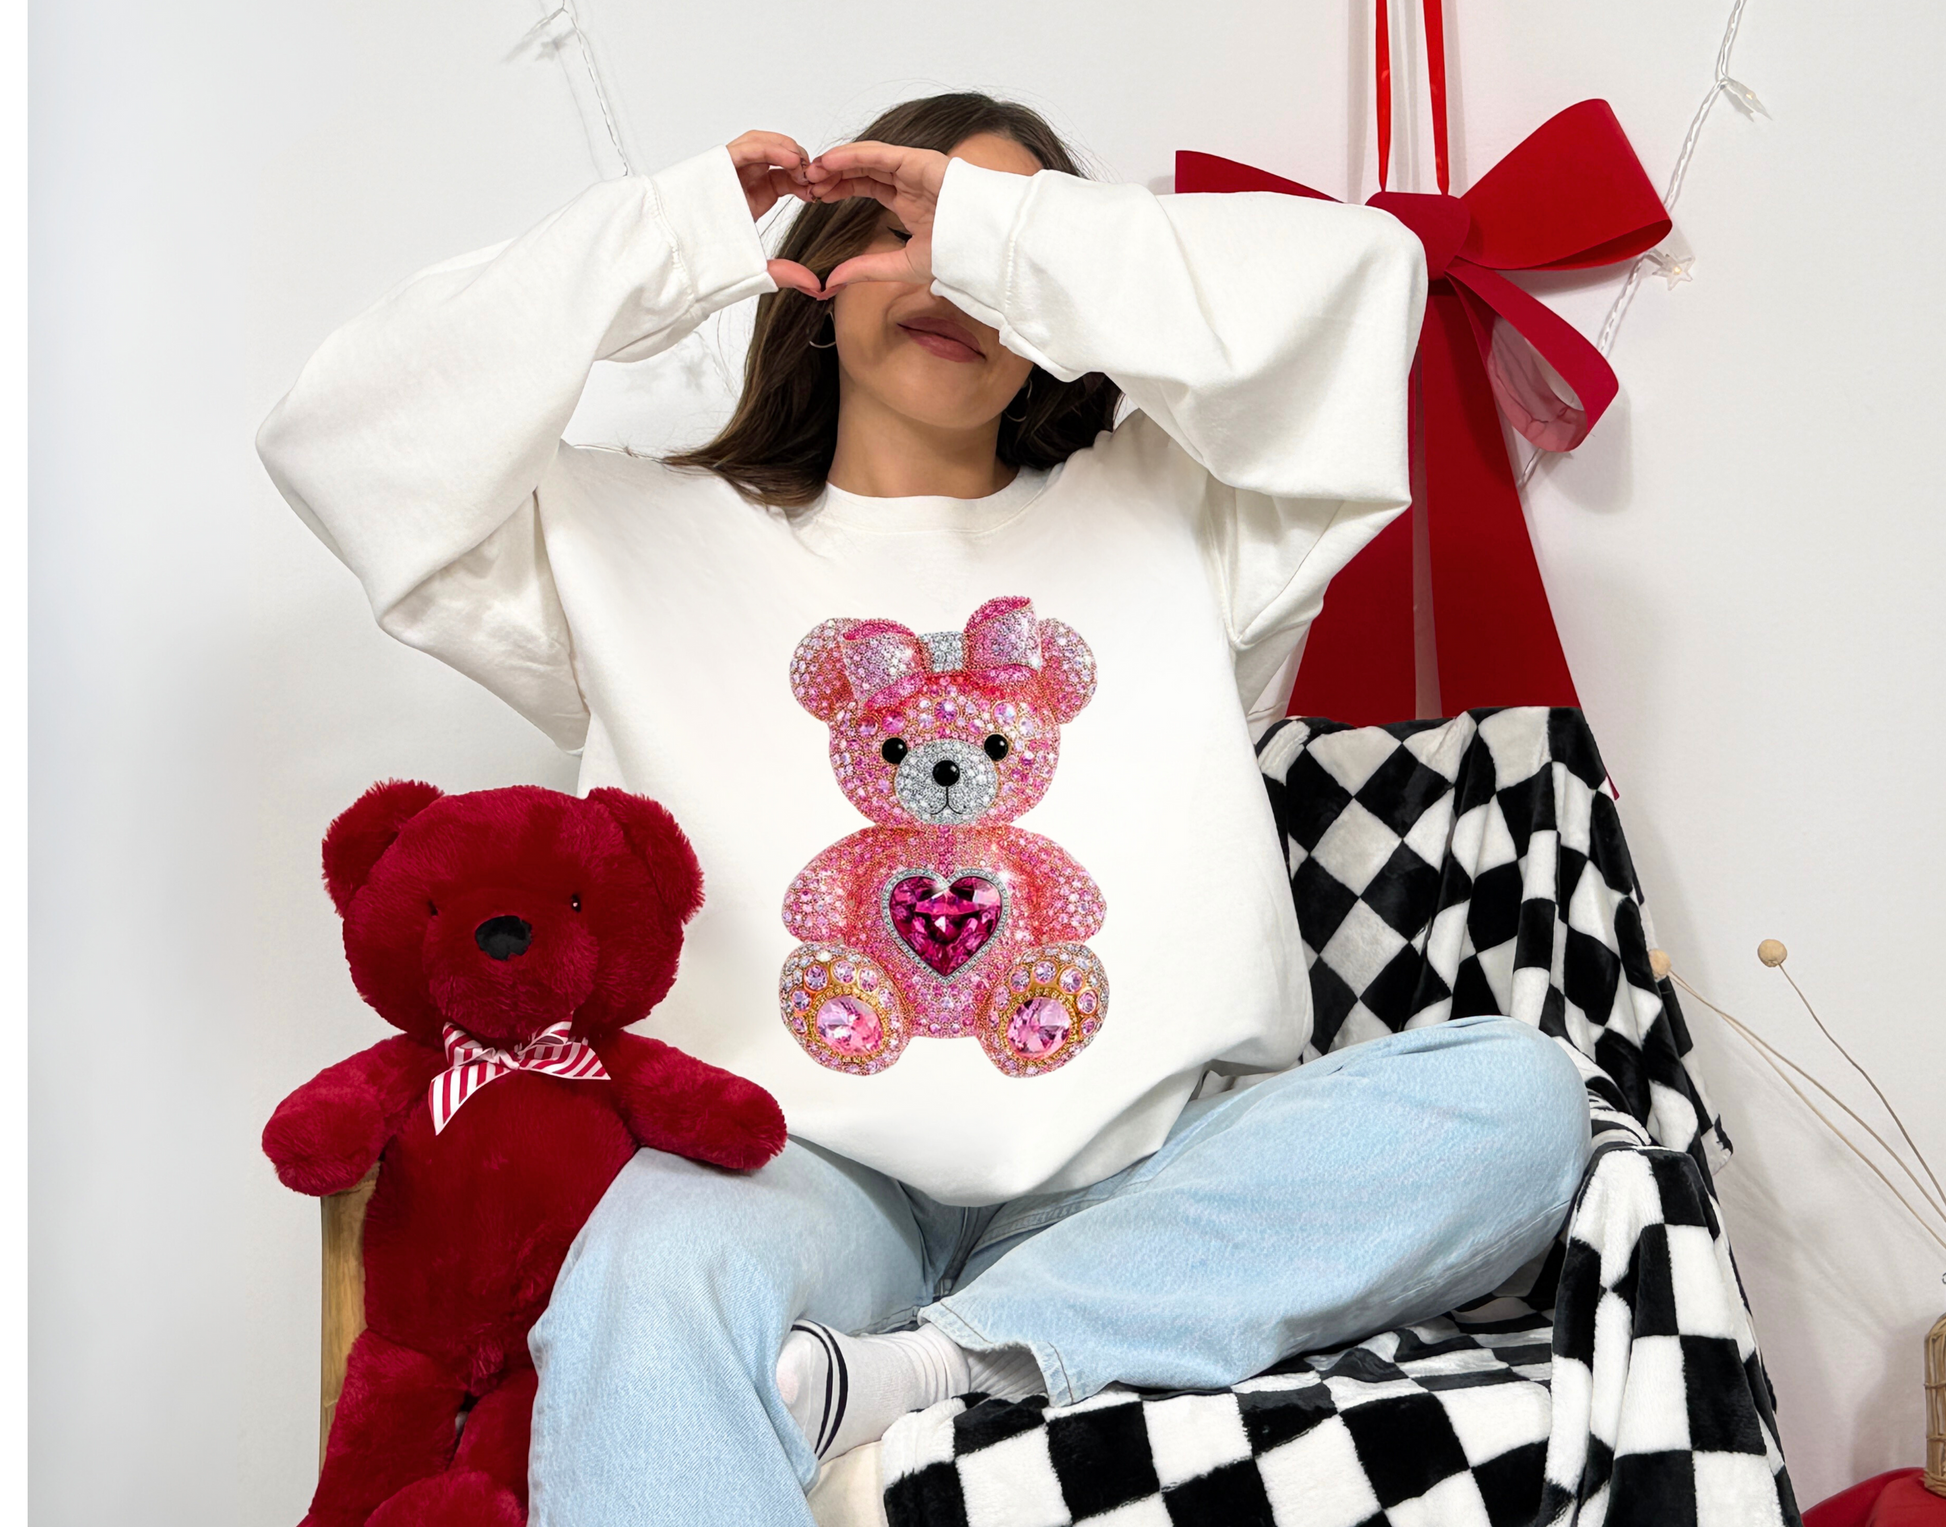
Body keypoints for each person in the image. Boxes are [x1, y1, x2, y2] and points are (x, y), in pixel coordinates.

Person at [259, 92, 1591, 1527]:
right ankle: (968, 1342)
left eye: (997, 245)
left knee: (1515, 1102)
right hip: (791, 1170)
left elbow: (1360, 282)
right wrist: (676, 233)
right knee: (644, 1277)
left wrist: (1013, 243)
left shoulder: (1193, 513)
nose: (952, 277)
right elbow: (342, 431)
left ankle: (930, 1363)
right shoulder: (621, 537)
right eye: (910, 227)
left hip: (1150, 1168)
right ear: (822, 257)